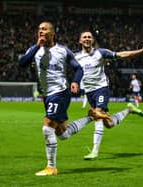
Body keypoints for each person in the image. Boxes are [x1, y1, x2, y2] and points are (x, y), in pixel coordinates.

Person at [19, 22, 101, 176]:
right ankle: (91, 117)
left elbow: (78, 68)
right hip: (47, 95)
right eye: (39, 29)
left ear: (53, 33)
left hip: (61, 93)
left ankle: (51, 167)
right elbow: (22, 63)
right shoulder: (34, 50)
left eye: (44, 29)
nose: (41, 31)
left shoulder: (63, 51)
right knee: (63, 134)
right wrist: (37, 46)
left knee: (47, 127)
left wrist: (76, 81)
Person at [74, 31, 143, 160]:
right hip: (89, 92)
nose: (87, 39)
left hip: (101, 88)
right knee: (109, 123)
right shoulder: (76, 57)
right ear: (80, 40)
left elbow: (121, 55)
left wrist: (141, 51)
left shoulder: (100, 52)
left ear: (93, 40)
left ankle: (95, 151)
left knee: (97, 114)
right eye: (84, 37)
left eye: (89, 37)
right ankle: (129, 109)